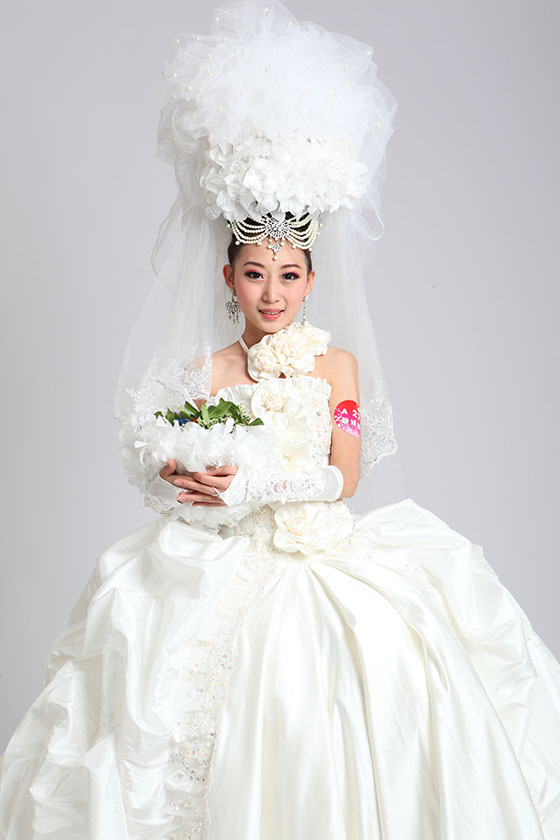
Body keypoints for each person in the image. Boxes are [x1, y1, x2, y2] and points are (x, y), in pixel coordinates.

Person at [1, 1, 560, 839]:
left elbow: (346, 474)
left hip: (320, 551)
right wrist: (180, 473)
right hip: (220, 560)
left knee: (374, 676)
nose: (273, 293)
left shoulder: (338, 369)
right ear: (228, 277)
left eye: (289, 274)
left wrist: (254, 485)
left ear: (311, 279)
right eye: (256, 273)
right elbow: (177, 464)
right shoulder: (207, 372)